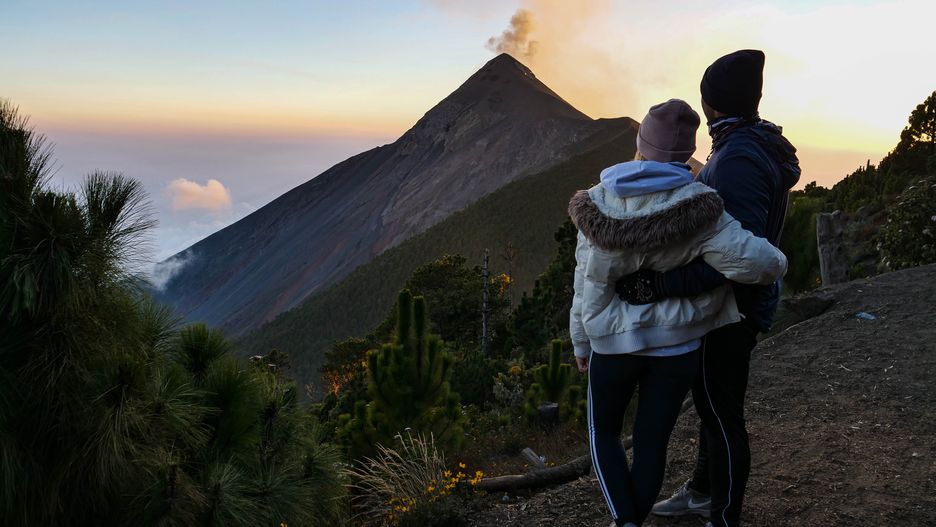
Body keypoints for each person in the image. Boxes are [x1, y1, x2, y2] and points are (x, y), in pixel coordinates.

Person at [568, 98, 788, 527]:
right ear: (687, 151)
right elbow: (763, 264)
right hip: (677, 348)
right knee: (652, 441)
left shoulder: (597, 204)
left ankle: (626, 521)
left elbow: (585, 283)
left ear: (640, 142)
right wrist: (776, 259)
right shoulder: (704, 208)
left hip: (611, 343)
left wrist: (580, 340)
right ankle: (633, 517)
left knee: (604, 433)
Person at [617, 51, 801, 527]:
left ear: (712, 105)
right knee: (713, 405)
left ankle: (723, 516)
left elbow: (738, 259)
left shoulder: (737, 157)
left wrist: (661, 284)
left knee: (722, 414)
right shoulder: (747, 144)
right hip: (738, 304)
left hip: (734, 309)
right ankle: (702, 490)